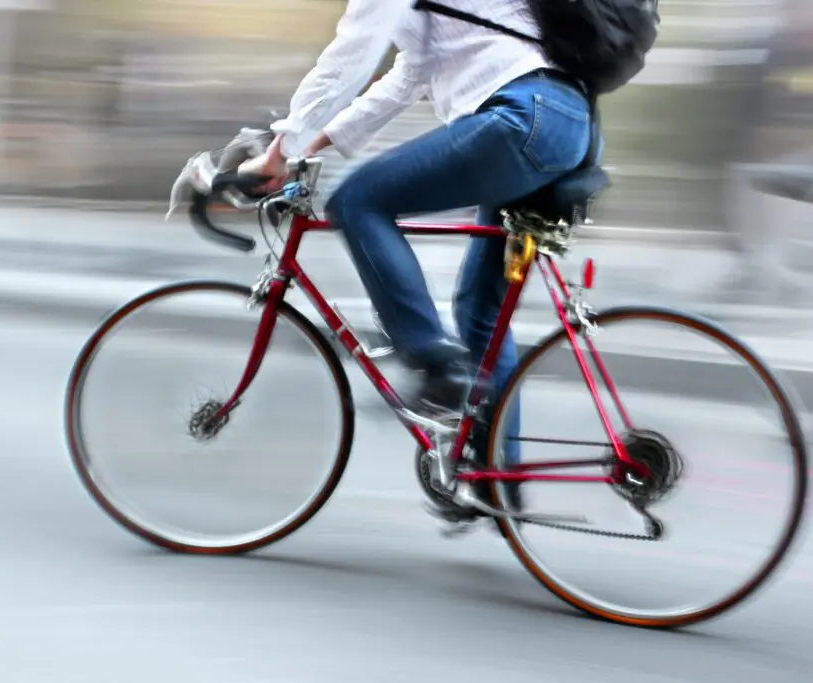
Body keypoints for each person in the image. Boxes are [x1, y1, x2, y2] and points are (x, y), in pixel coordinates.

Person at [239, 0, 598, 515]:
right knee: (480, 312)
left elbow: (353, 52)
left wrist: (281, 147)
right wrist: (306, 145)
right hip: (563, 123)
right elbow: (406, 76)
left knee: (357, 200)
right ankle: (497, 479)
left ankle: (433, 360)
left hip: (520, 117)